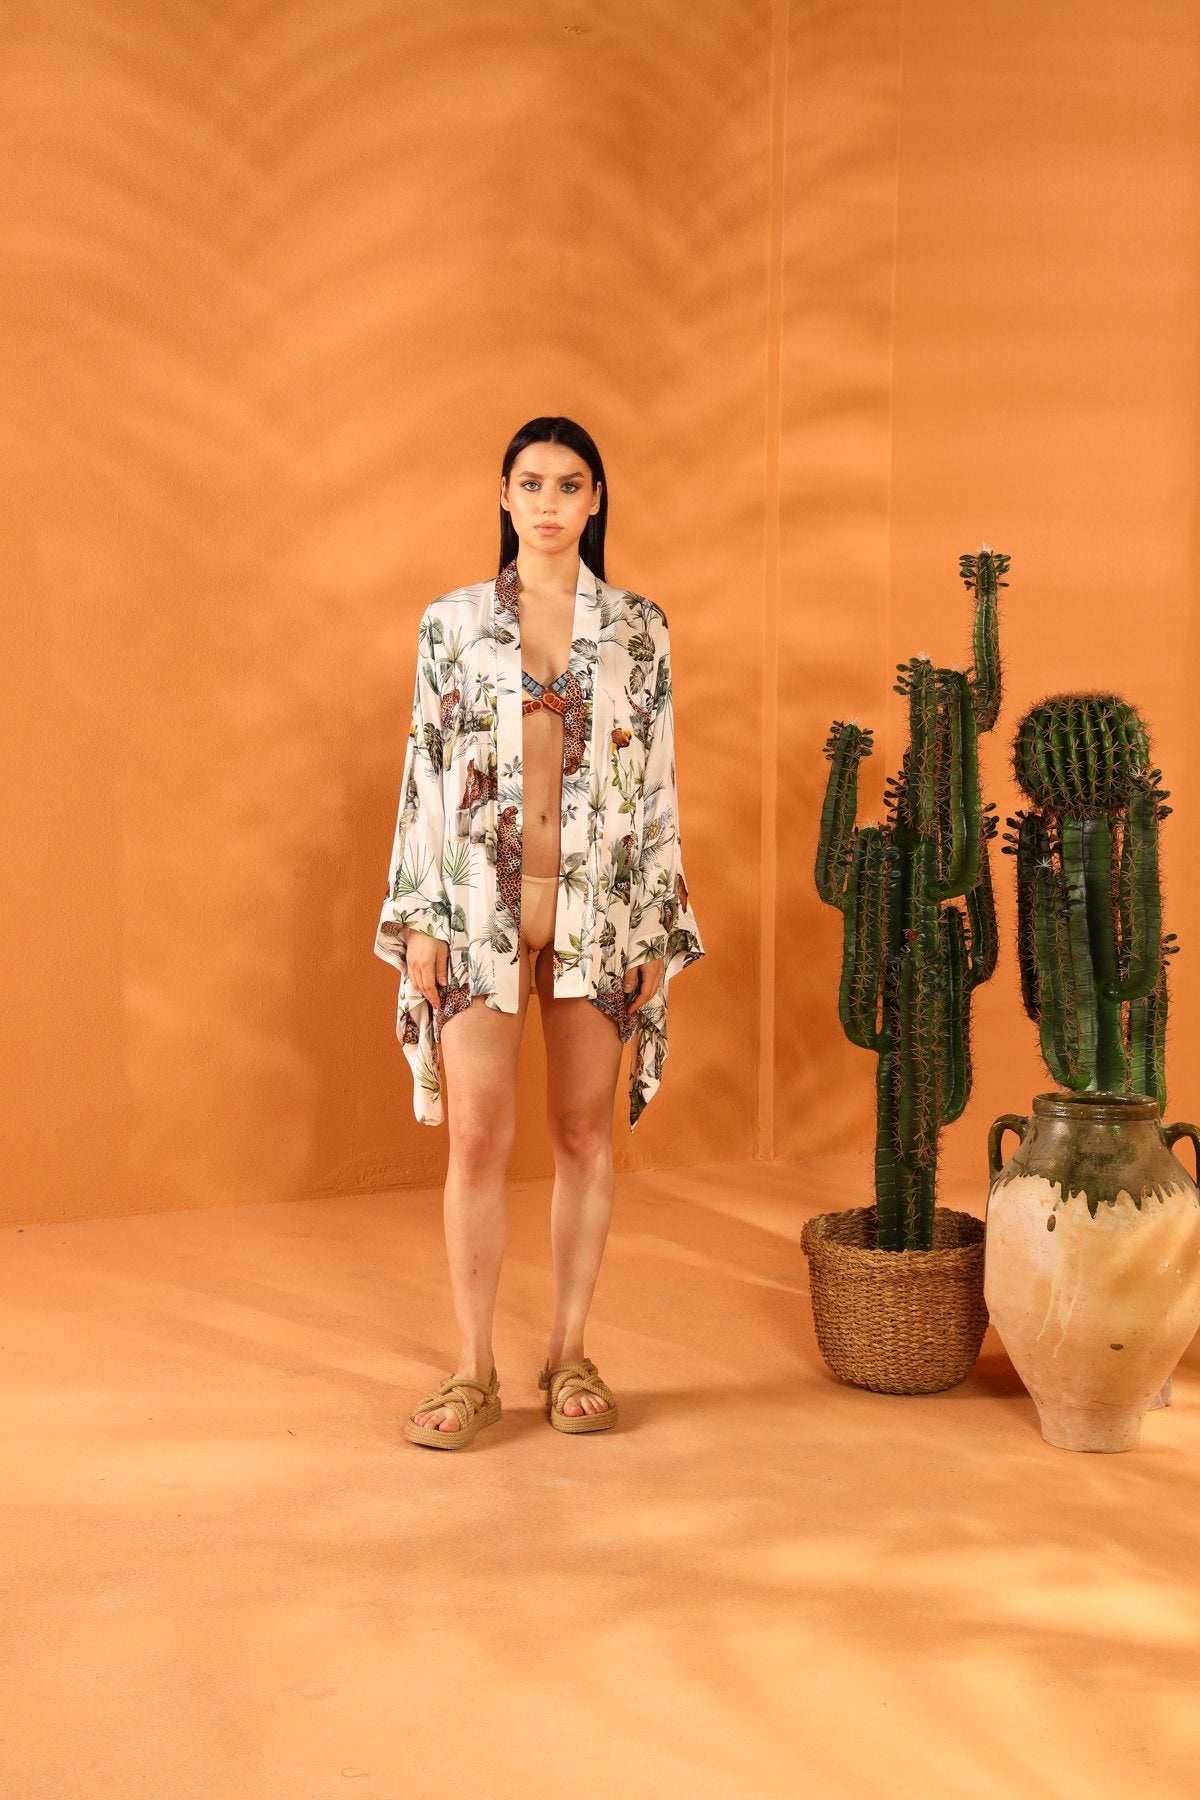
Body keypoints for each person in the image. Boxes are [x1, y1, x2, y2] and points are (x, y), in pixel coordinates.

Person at [373, 415, 704, 1450]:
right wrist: (421, 916)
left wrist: (655, 924)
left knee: (581, 1133)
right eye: (532, 482)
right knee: (477, 1137)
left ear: (596, 499)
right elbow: (426, 772)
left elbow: (658, 783)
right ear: (505, 495)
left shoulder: (639, 628)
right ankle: (472, 1369)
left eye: (570, 484)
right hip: (478, 906)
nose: (550, 502)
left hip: (599, 908)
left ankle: (569, 1353)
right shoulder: (454, 623)